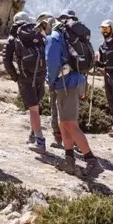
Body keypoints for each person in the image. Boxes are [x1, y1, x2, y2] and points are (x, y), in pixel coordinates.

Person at [46, 17, 101, 177]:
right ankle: (69, 160)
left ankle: (92, 161)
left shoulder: (54, 38)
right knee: (63, 124)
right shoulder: (66, 37)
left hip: (66, 84)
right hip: (75, 81)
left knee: (70, 124)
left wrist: (50, 80)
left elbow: (52, 62)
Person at [5, 11, 53, 152]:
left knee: (33, 109)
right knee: (36, 106)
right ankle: (33, 135)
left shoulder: (14, 36)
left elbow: (6, 60)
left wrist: (16, 76)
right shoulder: (37, 33)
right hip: (40, 75)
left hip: (26, 77)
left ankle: (40, 141)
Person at [48, 9, 78, 148]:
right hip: (77, 79)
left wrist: (51, 80)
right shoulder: (77, 36)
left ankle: (59, 137)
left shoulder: (57, 36)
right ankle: (74, 139)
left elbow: (53, 62)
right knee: (73, 111)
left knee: (56, 107)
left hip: (60, 79)